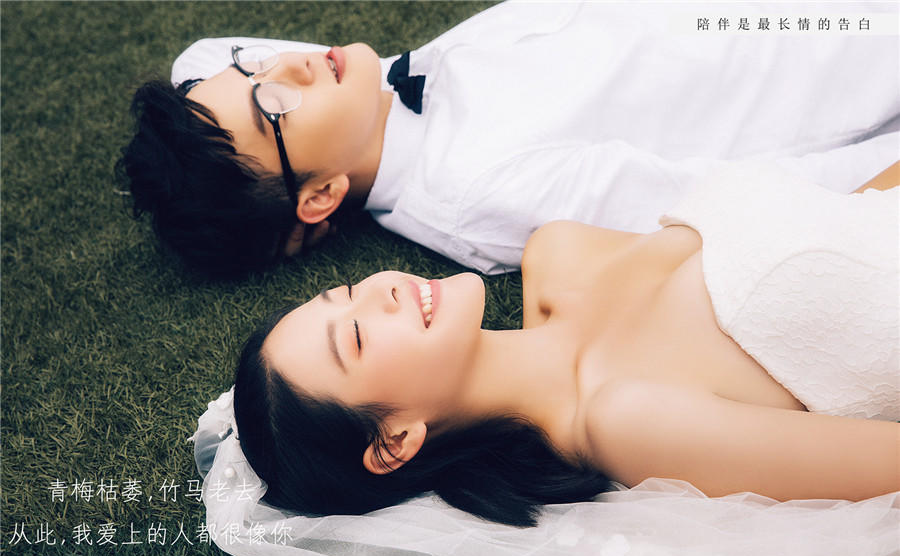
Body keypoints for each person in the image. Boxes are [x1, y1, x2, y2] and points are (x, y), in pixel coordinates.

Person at [217, 160, 899, 531]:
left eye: (345, 291)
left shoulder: (560, 253)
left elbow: (844, 225)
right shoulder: (627, 419)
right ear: (395, 440)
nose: (382, 290)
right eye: (358, 336)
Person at [119, 1, 900, 278]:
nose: (285, 63)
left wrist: (246, 113)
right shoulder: (478, 192)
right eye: (272, 103)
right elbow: (735, 200)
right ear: (320, 195)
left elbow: (200, 58)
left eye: (254, 67)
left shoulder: (363, 97)